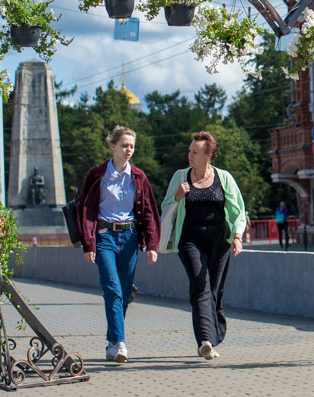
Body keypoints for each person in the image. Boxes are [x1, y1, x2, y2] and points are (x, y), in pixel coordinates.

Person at [76, 126, 161, 364]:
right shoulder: (97, 174)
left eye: (132, 146)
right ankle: (120, 343)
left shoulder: (138, 176)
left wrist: (152, 244)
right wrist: (89, 244)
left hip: (130, 238)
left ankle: (112, 342)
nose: (128, 150)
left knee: (123, 293)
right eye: (124, 145)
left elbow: (148, 211)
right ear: (113, 146)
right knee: (112, 288)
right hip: (104, 236)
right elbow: (86, 209)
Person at [164, 131, 247, 361]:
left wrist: (237, 236)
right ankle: (205, 341)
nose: (190, 155)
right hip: (189, 240)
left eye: (195, 152)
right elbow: (165, 206)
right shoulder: (180, 176)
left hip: (220, 240)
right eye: (190, 151)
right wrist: (178, 196)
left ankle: (214, 335)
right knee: (200, 284)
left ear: (208, 155)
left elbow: (238, 209)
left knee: (215, 291)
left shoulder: (224, 178)